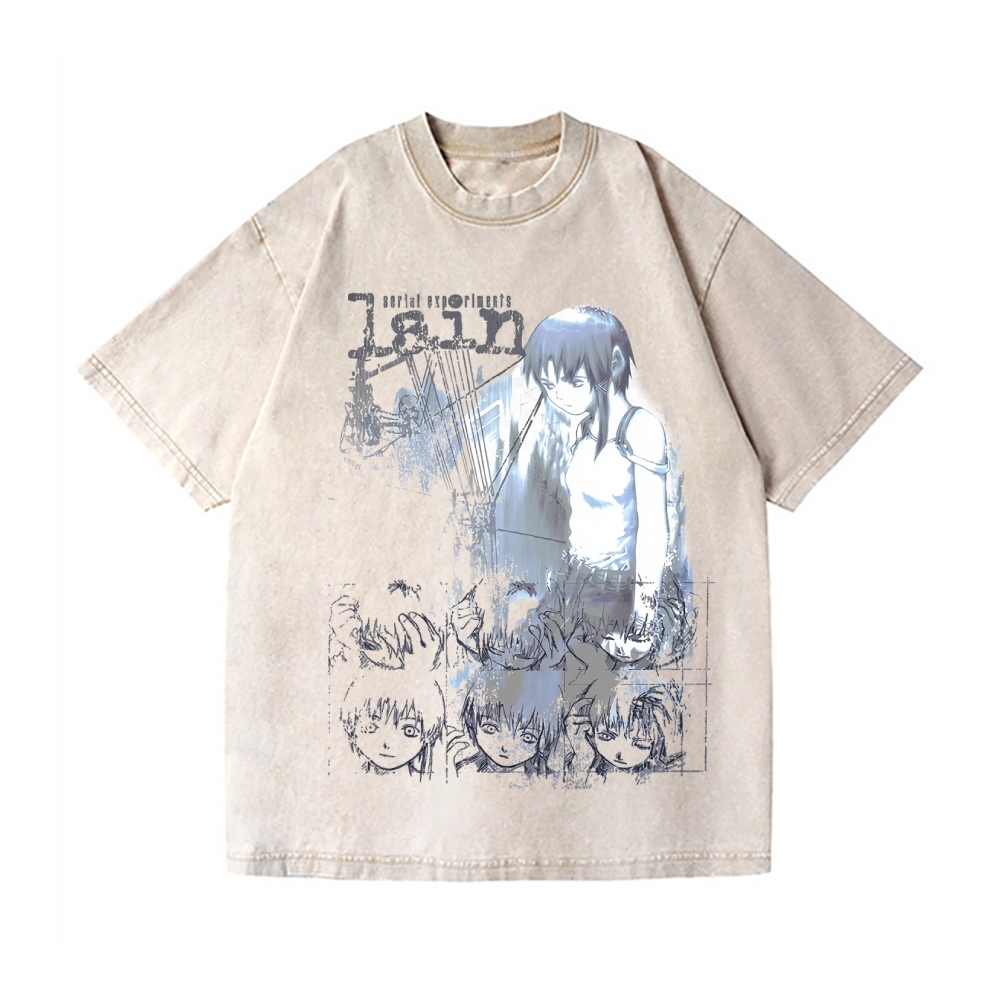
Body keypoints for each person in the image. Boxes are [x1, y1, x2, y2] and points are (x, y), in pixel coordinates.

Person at [522, 306, 678, 662]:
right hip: (575, 580)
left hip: (616, 590)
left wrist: (642, 625)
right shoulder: (585, 428)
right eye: (549, 385)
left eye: (574, 382)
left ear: (615, 363)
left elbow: (654, 531)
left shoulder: (640, 430)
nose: (560, 396)